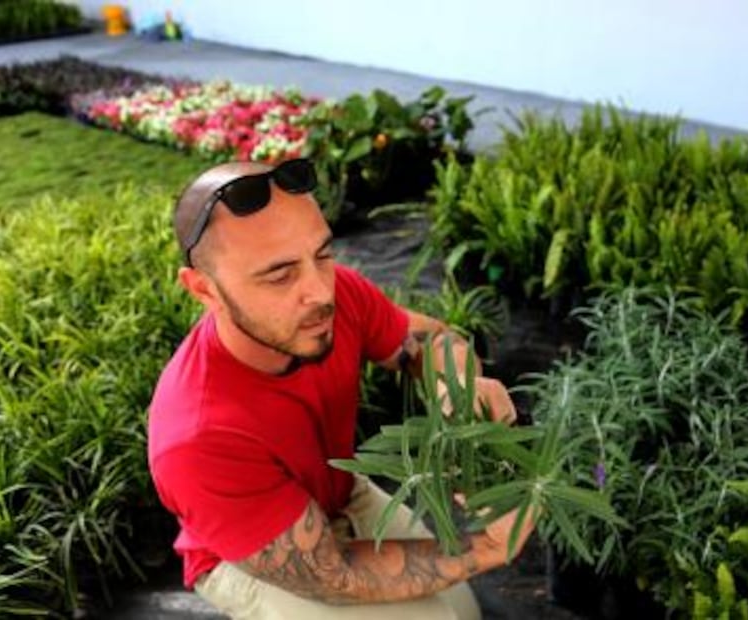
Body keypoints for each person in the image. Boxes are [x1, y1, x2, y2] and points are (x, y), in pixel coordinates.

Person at [147, 157, 534, 619]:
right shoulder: (196, 436)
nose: (321, 291)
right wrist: (489, 548)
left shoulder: (333, 297)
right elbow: (334, 573)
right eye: (279, 274)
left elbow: (427, 342)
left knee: (462, 613)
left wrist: (458, 390)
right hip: (249, 557)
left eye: (323, 255)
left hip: (338, 491)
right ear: (204, 290)